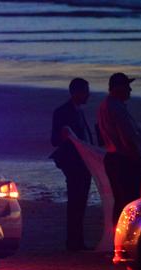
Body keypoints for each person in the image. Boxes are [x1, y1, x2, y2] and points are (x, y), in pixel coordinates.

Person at [50, 78, 95, 251]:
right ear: (77, 92)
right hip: (73, 163)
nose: (88, 94)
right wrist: (64, 136)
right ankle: (73, 241)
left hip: (83, 162)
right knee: (76, 201)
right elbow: (55, 140)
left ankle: (77, 241)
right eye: (86, 91)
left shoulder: (78, 111)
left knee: (80, 200)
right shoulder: (62, 112)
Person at [97, 73, 141, 223]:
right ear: (119, 88)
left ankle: (117, 236)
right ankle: (124, 238)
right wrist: (138, 159)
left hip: (114, 158)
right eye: (127, 86)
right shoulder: (116, 107)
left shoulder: (105, 105)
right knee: (129, 201)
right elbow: (127, 137)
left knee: (120, 201)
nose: (130, 90)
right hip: (124, 160)